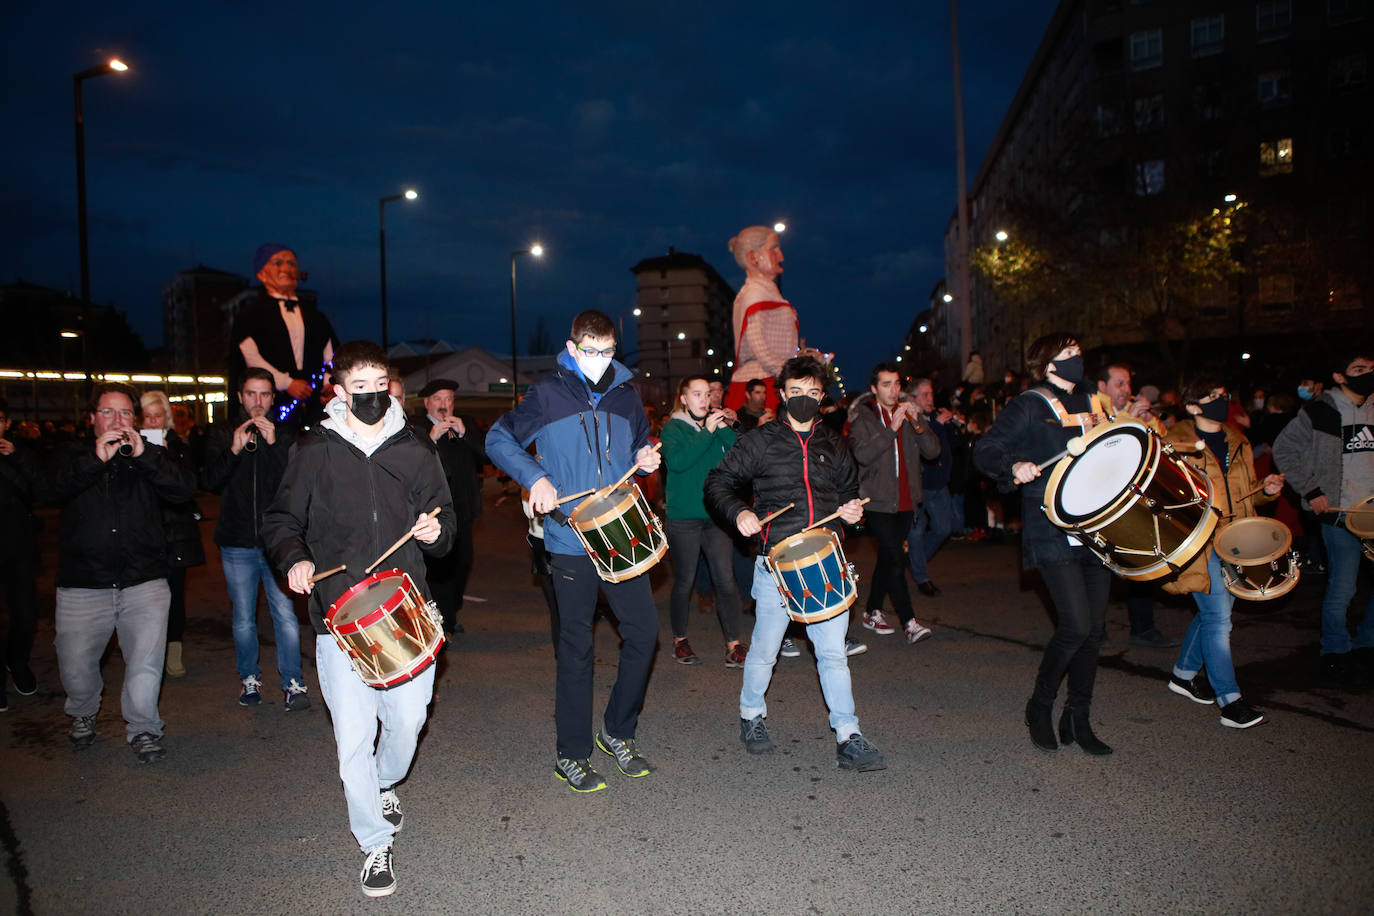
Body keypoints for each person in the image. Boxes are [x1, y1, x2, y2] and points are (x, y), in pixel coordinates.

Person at [263, 340, 454, 898]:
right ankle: (375, 843)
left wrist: (437, 532)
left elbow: (446, 521)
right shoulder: (313, 450)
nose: (371, 396)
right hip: (338, 616)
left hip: (404, 609)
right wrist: (294, 559)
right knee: (352, 742)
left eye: (379, 386)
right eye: (360, 388)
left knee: (408, 722)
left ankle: (387, 780)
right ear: (340, 392)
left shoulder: (414, 449)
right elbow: (280, 519)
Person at [485, 310, 663, 793]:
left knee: (645, 634)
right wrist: (535, 477)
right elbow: (498, 438)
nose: (598, 361)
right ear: (572, 346)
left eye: (606, 352)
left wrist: (647, 461)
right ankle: (571, 754)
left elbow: (639, 451)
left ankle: (618, 731)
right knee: (577, 647)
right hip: (568, 538)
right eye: (589, 352)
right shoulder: (548, 394)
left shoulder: (628, 395)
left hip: (621, 533)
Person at [705, 355, 885, 771]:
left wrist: (852, 513)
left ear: (823, 397)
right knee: (766, 649)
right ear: (783, 394)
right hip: (775, 564)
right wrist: (739, 513)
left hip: (825, 560)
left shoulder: (834, 444)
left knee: (832, 654)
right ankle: (751, 715)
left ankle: (848, 734)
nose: (805, 399)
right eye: (796, 392)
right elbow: (717, 482)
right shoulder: (761, 440)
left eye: (813, 393)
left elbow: (848, 493)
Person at [973, 333, 1115, 756]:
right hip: (1051, 526)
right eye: (1068, 354)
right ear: (1047, 364)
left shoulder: (1094, 401)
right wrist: (1013, 465)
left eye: (1078, 352)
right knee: (1075, 625)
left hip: (1096, 524)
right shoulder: (1030, 405)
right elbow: (986, 449)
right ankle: (1039, 706)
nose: (1077, 358)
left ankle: (1079, 715)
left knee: (1094, 632)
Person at [52, 383, 196, 762]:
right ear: (92, 419)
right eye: (108, 413)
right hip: (84, 583)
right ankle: (83, 711)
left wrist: (146, 455)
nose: (117, 420)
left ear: (135, 420)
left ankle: (144, 728)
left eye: (125, 413)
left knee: (146, 664)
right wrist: (94, 461)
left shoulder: (151, 455)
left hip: (144, 579)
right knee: (77, 666)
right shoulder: (72, 454)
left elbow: (183, 490)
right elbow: (50, 490)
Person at [1159, 378, 1283, 728]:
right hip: (1200, 542)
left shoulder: (1237, 439)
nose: (1221, 400)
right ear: (1193, 406)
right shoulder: (1176, 443)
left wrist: (1267, 491)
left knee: (1215, 612)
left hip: (1236, 539)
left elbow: (1247, 494)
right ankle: (1230, 701)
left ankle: (1183, 675)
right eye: (1211, 396)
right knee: (1219, 619)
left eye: (1222, 394)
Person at [201, 368, 308, 708]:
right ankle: (250, 678)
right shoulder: (221, 432)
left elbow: (294, 482)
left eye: (264, 395)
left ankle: (293, 682)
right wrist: (233, 449)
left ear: (272, 399)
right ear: (240, 397)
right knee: (244, 616)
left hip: (279, 543)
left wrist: (274, 444)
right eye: (251, 394)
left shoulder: (286, 434)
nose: (258, 402)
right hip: (236, 539)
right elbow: (210, 482)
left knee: (286, 615)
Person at [1273, 347, 1374, 685]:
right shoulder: (1320, 411)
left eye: (1371, 367)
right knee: (1343, 587)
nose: (1367, 373)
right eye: (1358, 368)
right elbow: (1284, 450)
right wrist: (1313, 491)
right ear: (1339, 375)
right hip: (1339, 515)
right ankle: (1335, 650)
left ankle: (1367, 643)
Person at [847, 363, 940, 644]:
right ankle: (909, 622)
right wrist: (891, 428)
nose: (894, 390)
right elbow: (862, 455)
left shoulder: (909, 414)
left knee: (888, 559)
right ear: (874, 389)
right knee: (896, 558)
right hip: (877, 500)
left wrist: (918, 423)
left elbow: (933, 451)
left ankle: (872, 610)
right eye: (886, 384)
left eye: (897, 384)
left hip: (906, 500)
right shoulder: (863, 418)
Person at [660, 375, 747, 666]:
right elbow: (678, 462)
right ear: (683, 399)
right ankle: (680, 639)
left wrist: (722, 427)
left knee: (725, 579)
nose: (704, 399)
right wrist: (706, 433)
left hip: (716, 516)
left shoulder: (714, 424)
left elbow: (739, 454)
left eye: (707, 394)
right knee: (684, 580)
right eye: (696, 394)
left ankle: (734, 643)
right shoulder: (673, 428)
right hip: (683, 518)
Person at [1092, 363, 1177, 649]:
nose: (1126, 390)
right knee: (1101, 567)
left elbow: (1164, 444)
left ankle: (1143, 627)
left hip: (1135, 496)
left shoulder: (1132, 410)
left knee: (1142, 559)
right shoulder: (1091, 409)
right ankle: (1095, 629)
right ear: (1103, 387)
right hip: (1102, 499)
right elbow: (1102, 447)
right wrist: (1127, 419)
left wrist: (1149, 420)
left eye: (1128, 384)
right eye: (1119, 384)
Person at [230, 243, 339, 426]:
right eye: (277, 263)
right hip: (273, 406)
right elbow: (250, 356)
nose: (286, 268)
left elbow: (330, 352)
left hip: (314, 406)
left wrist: (328, 385)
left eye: (291, 264)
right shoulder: (250, 314)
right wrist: (286, 383)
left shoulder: (315, 315)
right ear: (261, 274)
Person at [140, 390, 206, 678]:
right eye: (148, 416)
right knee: (142, 598)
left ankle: (173, 649)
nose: (154, 421)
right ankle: (146, 651)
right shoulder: (131, 446)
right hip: (141, 535)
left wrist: (165, 455)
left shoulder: (179, 446)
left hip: (174, 534)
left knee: (173, 596)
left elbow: (190, 485)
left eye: (159, 416)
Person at [414, 379, 484, 641]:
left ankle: (451, 610)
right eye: (438, 400)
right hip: (435, 511)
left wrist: (464, 433)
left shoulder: (464, 424)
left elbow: (486, 455)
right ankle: (444, 621)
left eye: (449, 400)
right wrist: (432, 438)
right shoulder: (418, 428)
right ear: (427, 403)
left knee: (463, 563)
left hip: (464, 508)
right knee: (440, 568)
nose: (444, 405)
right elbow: (412, 462)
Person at [723, 226, 796, 411]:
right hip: (764, 383)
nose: (781, 256)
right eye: (774, 249)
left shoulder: (764, 291)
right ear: (752, 257)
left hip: (774, 378)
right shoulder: (754, 293)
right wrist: (790, 373)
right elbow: (759, 345)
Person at [0, 399, 42, 706]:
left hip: (19, 546)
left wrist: (16, 459)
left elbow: (42, 488)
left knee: (25, 614)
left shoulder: (20, 451)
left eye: (0, 419)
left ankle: (17, 661)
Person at [905, 378, 959, 598]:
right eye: (924, 394)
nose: (930, 399)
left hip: (939, 483)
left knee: (944, 528)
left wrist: (952, 425)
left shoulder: (936, 416)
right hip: (919, 484)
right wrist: (937, 426)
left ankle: (915, 562)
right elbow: (925, 448)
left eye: (931, 394)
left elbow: (952, 446)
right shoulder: (911, 417)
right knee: (916, 532)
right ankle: (922, 577)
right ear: (914, 397)